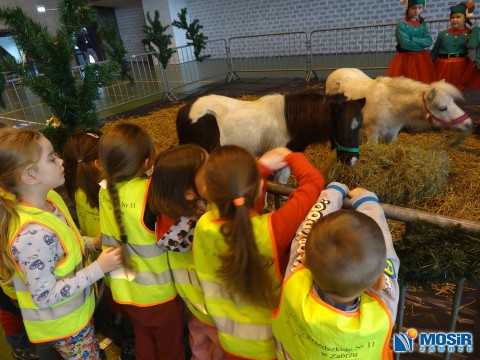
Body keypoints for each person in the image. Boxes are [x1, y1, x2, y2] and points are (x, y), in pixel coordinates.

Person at [193, 145, 325, 360]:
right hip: (269, 345)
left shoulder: (204, 225)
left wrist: (259, 169)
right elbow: (314, 182)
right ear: (255, 188)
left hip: (229, 338)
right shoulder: (272, 229)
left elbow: (237, 198)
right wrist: (291, 155)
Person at [0, 128, 122, 359]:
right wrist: (99, 268)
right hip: (66, 328)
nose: (60, 161)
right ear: (30, 176)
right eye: (51, 158)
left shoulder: (50, 200)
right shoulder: (32, 234)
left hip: (74, 317)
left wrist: (90, 243)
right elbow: (44, 296)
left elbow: (60, 249)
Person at [272, 183, 400, 360]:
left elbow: (304, 234)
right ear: (379, 282)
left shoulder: (295, 284)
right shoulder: (382, 311)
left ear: (306, 260)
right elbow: (389, 258)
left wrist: (332, 194)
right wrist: (368, 203)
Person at [98, 122, 185, 360]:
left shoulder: (104, 189)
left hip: (123, 290)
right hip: (157, 295)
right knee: (171, 347)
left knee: (143, 338)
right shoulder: (150, 190)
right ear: (147, 163)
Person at [147, 144, 226, 360]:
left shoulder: (166, 217)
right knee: (220, 350)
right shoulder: (202, 225)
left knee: (199, 343)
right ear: (189, 192)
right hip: (215, 308)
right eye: (208, 171)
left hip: (193, 305)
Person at [431, 2, 478, 89]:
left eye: (458, 17)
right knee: (441, 89)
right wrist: (429, 65)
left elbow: (472, 45)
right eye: (452, 17)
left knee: (459, 90)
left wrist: (475, 30)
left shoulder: (469, 33)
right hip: (442, 66)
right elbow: (434, 51)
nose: (454, 19)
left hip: (461, 66)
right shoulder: (443, 34)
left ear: (465, 19)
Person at [386, 0, 434, 83]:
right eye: (413, 8)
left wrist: (413, 39)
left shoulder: (422, 24)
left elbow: (429, 41)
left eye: (419, 7)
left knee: (422, 83)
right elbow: (406, 44)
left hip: (421, 59)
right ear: (407, 8)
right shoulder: (401, 24)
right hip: (405, 59)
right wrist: (422, 45)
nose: (416, 11)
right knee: (405, 85)